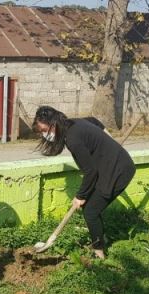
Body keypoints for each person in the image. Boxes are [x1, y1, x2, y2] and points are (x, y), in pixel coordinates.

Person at [32, 106, 135, 259]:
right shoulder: (72, 123)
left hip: (118, 171)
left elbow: (90, 172)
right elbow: (94, 121)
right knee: (90, 208)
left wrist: (80, 196)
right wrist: (107, 140)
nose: (44, 134)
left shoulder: (72, 140)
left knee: (90, 211)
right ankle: (100, 237)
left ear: (53, 124)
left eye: (44, 130)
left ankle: (99, 252)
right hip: (109, 167)